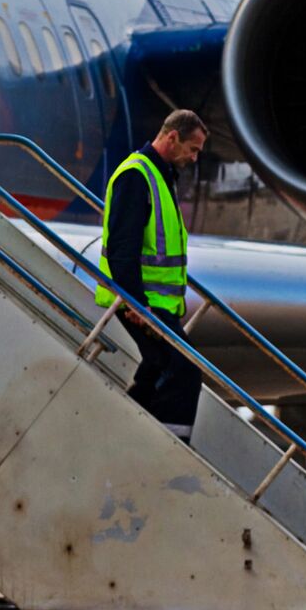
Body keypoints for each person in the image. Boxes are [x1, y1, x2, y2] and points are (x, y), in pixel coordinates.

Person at [95, 110, 207, 440]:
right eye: (193, 148)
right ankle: (173, 447)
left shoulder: (161, 175)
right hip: (142, 303)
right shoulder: (137, 175)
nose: (194, 157)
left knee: (157, 368)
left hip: (156, 303)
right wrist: (134, 303)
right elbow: (122, 246)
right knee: (184, 369)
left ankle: (127, 434)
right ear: (172, 137)